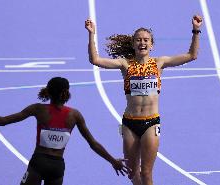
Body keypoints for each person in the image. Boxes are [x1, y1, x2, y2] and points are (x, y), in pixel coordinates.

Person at [85, 15, 203, 185]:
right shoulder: (125, 64)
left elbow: (192, 55)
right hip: (129, 123)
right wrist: (92, 34)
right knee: (133, 174)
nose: (142, 43)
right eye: (139, 40)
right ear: (133, 44)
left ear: (152, 45)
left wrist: (196, 30)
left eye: (146, 40)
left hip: (151, 123)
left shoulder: (159, 63)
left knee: (146, 173)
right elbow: (95, 60)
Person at [0, 77, 130, 185]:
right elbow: (93, 144)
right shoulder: (74, 115)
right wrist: (112, 160)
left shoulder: (38, 109)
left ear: (48, 92)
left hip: (38, 163)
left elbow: (3, 121)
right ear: (66, 93)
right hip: (57, 167)